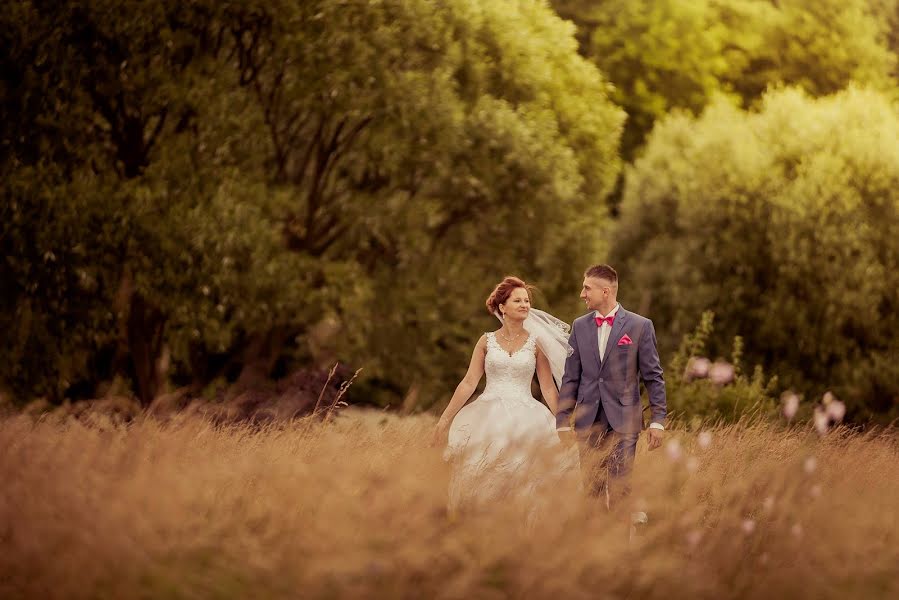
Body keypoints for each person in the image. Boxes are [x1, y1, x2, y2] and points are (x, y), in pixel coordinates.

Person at [433, 276, 577, 511]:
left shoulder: (536, 343)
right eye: (517, 300)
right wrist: (444, 420)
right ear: (502, 307)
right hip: (487, 416)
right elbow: (469, 382)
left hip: (527, 417)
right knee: (482, 476)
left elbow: (548, 387)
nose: (525, 305)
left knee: (524, 477)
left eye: (527, 301)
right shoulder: (486, 341)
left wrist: (562, 423)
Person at [556, 264, 667, 511]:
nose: (581, 294)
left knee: (620, 488)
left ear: (605, 292)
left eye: (586, 288)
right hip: (588, 421)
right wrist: (562, 420)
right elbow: (570, 378)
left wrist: (658, 420)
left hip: (624, 420)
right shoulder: (579, 326)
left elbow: (653, 376)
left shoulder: (640, 326)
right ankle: (596, 547)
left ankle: (620, 546)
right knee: (591, 489)